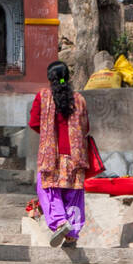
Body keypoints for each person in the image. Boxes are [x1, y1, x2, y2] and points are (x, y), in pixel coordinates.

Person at [30, 59, 91, 247]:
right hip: (75, 157)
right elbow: (86, 127)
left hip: (51, 157)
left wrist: (48, 134)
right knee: (73, 193)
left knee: (48, 189)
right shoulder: (79, 99)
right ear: (68, 77)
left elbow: (33, 122)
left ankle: (60, 222)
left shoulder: (43, 96)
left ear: (50, 78)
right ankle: (72, 233)